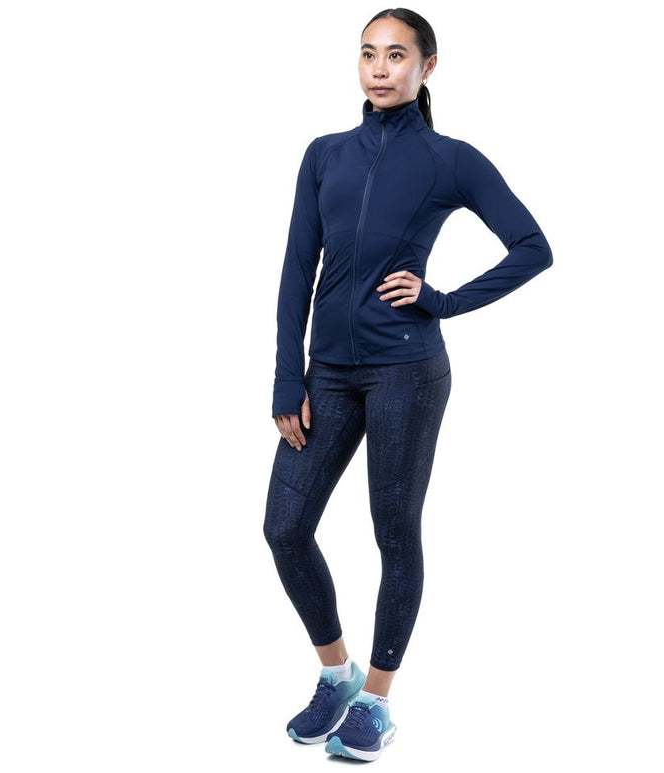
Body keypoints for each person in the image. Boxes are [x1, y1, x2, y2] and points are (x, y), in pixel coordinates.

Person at [262, 7, 552, 761]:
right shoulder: (325, 154)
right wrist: (287, 376)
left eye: (396, 55)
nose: (379, 68)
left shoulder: (451, 160)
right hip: (327, 374)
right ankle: (338, 674)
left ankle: (377, 700)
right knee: (284, 527)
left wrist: (442, 300)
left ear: (428, 66)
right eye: (368, 54)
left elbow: (532, 246)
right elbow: (296, 269)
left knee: (393, 532)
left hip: (406, 371)